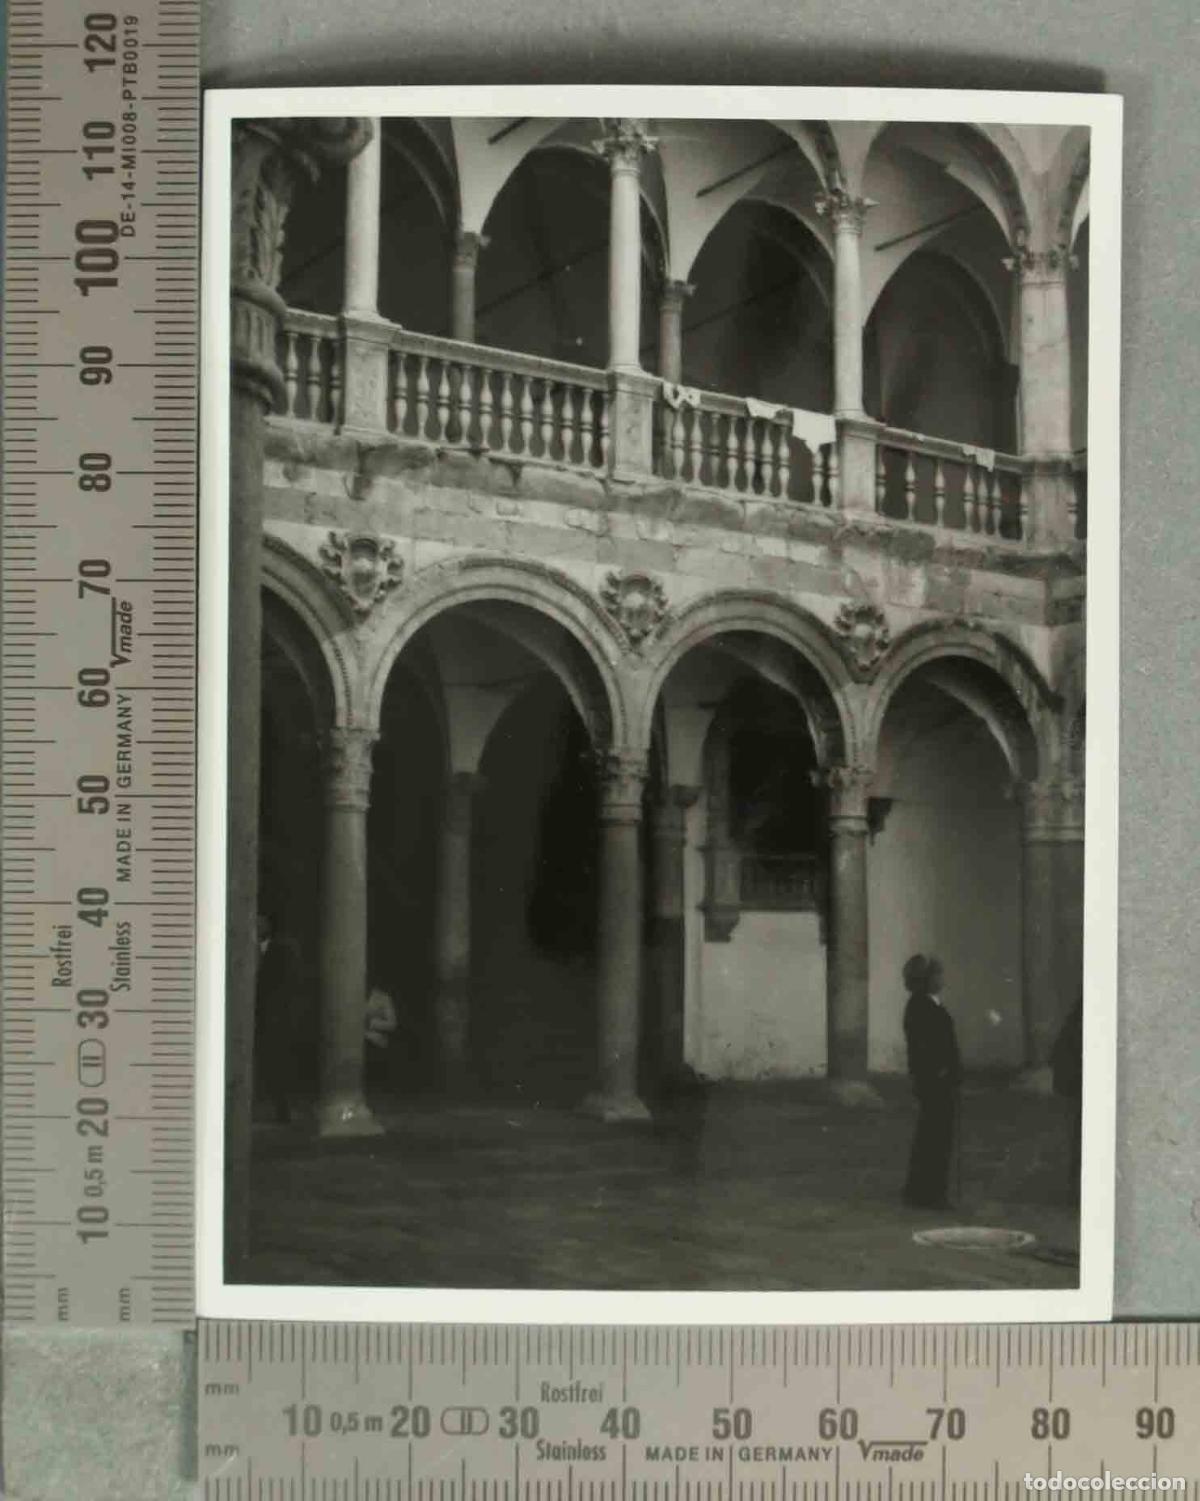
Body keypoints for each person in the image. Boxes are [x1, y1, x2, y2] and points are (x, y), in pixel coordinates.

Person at [902, 953, 962, 1210]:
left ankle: (921, 1189)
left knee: (932, 1135)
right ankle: (928, 1193)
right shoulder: (921, 1006)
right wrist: (940, 1072)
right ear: (927, 979)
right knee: (935, 1138)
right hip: (936, 1082)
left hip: (938, 1081)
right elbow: (924, 1047)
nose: (942, 978)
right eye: (938, 974)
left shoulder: (925, 1004)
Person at [254, 912, 299, 1125]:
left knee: (278, 1064)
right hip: (254, 1017)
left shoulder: (283, 948)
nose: (255, 926)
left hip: (276, 1017)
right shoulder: (243, 949)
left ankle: (283, 1111)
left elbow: (287, 983)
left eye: (259, 923)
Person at [1050, 996, 1083, 1205]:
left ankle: (1076, 1189)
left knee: (1079, 1138)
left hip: (1078, 1088)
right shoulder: (1078, 1023)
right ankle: (1077, 1190)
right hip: (1081, 1087)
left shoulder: (1073, 1021)